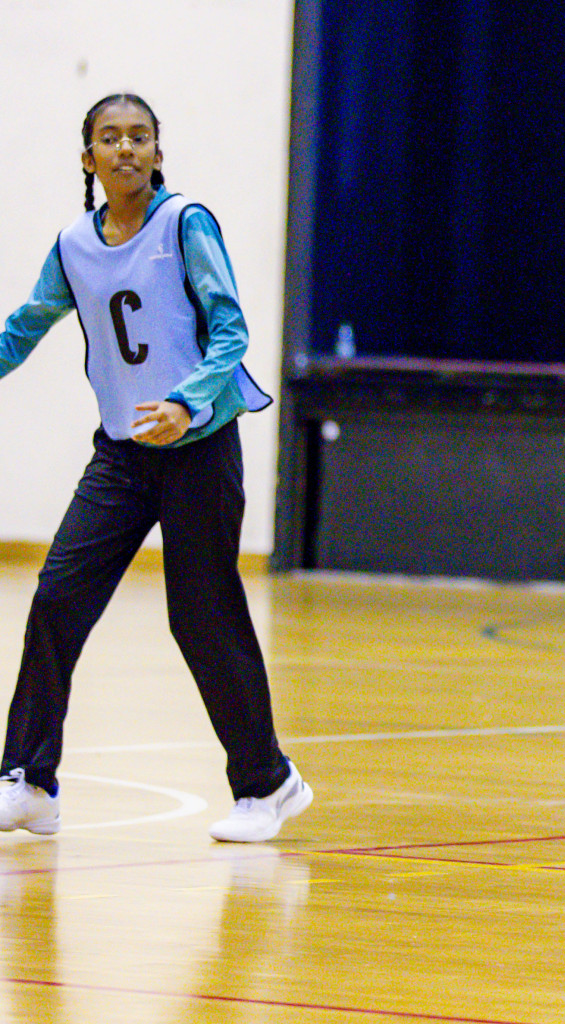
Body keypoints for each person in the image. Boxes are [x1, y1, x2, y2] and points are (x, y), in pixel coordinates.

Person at [0, 94, 312, 843]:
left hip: (198, 450)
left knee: (201, 616)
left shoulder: (185, 224)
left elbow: (230, 329)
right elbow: (27, 324)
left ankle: (268, 785)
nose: (127, 149)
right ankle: (31, 780)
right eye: (110, 138)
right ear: (89, 160)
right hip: (121, 457)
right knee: (56, 597)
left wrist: (185, 403)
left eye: (140, 137)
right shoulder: (75, 243)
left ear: (158, 154)